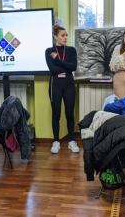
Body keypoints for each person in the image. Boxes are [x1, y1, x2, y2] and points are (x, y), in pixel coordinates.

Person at [45, 24, 78, 154]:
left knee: (69, 114)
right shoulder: (49, 51)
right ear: (56, 37)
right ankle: (56, 141)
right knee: (56, 114)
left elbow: (73, 67)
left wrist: (58, 60)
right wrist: (65, 66)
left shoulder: (71, 50)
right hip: (55, 84)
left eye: (66, 35)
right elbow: (53, 70)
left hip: (69, 84)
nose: (65, 38)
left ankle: (71, 141)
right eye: (63, 35)